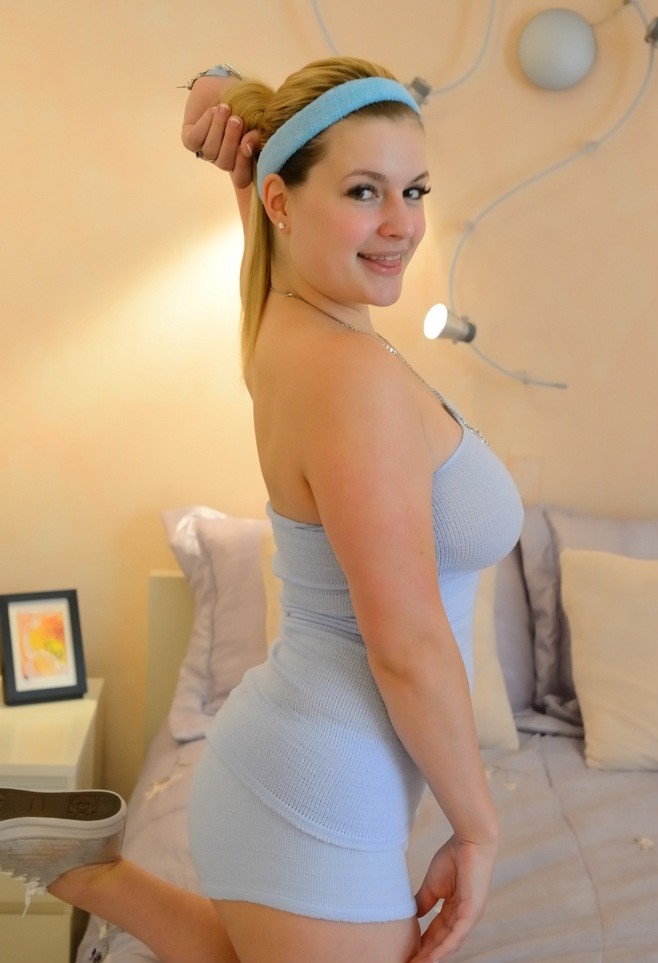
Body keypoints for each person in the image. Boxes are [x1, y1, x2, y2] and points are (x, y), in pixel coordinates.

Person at [0, 56, 523, 963]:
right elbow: (406, 645)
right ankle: (92, 873)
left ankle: (90, 870)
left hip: (304, 771)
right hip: (320, 790)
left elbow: (258, 146)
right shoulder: (346, 375)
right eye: (364, 191)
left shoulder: (286, 319)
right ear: (279, 202)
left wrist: (218, 90)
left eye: (414, 189)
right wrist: (478, 828)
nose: (401, 224)